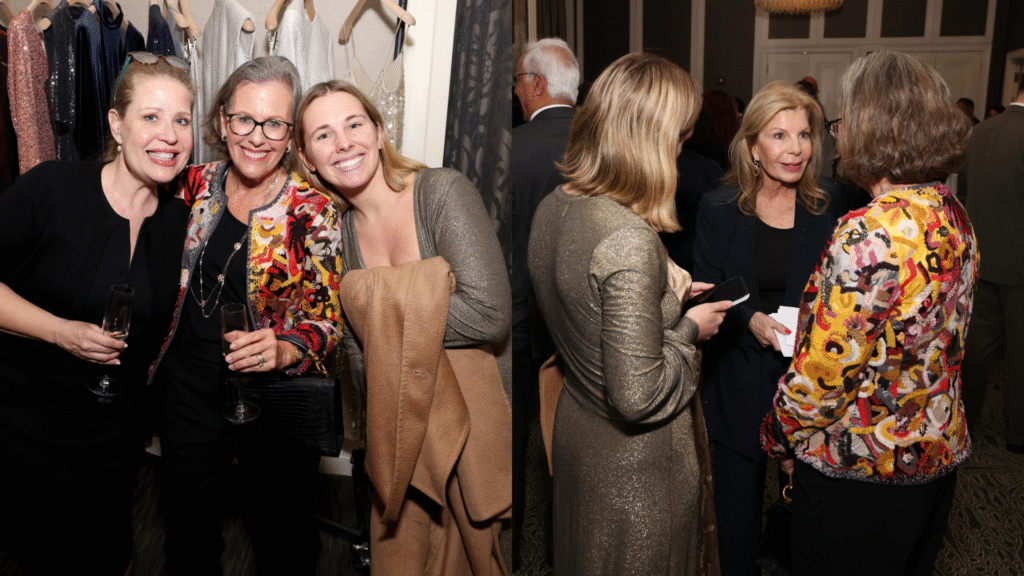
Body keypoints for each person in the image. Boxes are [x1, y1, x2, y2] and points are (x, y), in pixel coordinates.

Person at [761, 50, 977, 576]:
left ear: (868, 126)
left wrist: (776, 433)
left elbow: (823, 377)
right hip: (936, 457)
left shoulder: (868, 233)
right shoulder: (951, 212)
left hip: (859, 472)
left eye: (843, 118)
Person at [294, 80, 512, 575]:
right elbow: (355, 353)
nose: (344, 143)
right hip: (400, 428)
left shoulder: (441, 192)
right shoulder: (341, 231)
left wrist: (381, 313)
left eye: (354, 125)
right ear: (307, 159)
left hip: (472, 424)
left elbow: (488, 312)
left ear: (378, 130)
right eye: (323, 136)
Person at [529, 52, 729, 576]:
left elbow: (590, 316)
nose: (684, 147)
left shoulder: (555, 204)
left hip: (578, 434)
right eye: (680, 135)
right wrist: (691, 325)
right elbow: (639, 395)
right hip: (637, 468)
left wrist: (666, 301)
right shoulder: (626, 237)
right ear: (652, 138)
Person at [0, 53, 193, 574]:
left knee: (112, 553)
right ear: (116, 124)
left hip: (113, 435)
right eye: (151, 117)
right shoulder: (50, 188)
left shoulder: (179, 221)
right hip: (28, 421)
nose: (168, 135)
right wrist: (61, 332)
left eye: (181, 120)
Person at [151, 56, 343, 574]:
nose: (257, 137)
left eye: (275, 123)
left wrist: (285, 347)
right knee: (188, 534)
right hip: (187, 388)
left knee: (285, 540)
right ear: (221, 121)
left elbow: (328, 321)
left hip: (270, 398)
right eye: (244, 120)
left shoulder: (313, 211)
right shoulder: (191, 184)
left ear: (290, 131)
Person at [692, 80, 859, 576]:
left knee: (809, 530)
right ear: (752, 147)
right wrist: (751, 321)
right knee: (735, 528)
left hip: (813, 388)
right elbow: (711, 286)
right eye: (779, 135)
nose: (795, 149)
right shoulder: (719, 208)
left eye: (804, 135)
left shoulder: (836, 203)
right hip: (738, 381)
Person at [506, 36, 579, 566]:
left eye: (517, 83)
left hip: (523, 318)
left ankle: (517, 543)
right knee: (576, 439)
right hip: (589, 318)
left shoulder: (509, 151)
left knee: (521, 440)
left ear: (535, 85)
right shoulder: (605, 146)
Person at [958, 70, 1024, 451]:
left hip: (980, 257)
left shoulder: (979, 132)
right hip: (1020, 266)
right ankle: (1018, 436)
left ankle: (963, 421)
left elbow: (965, 192)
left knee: (976, 351)